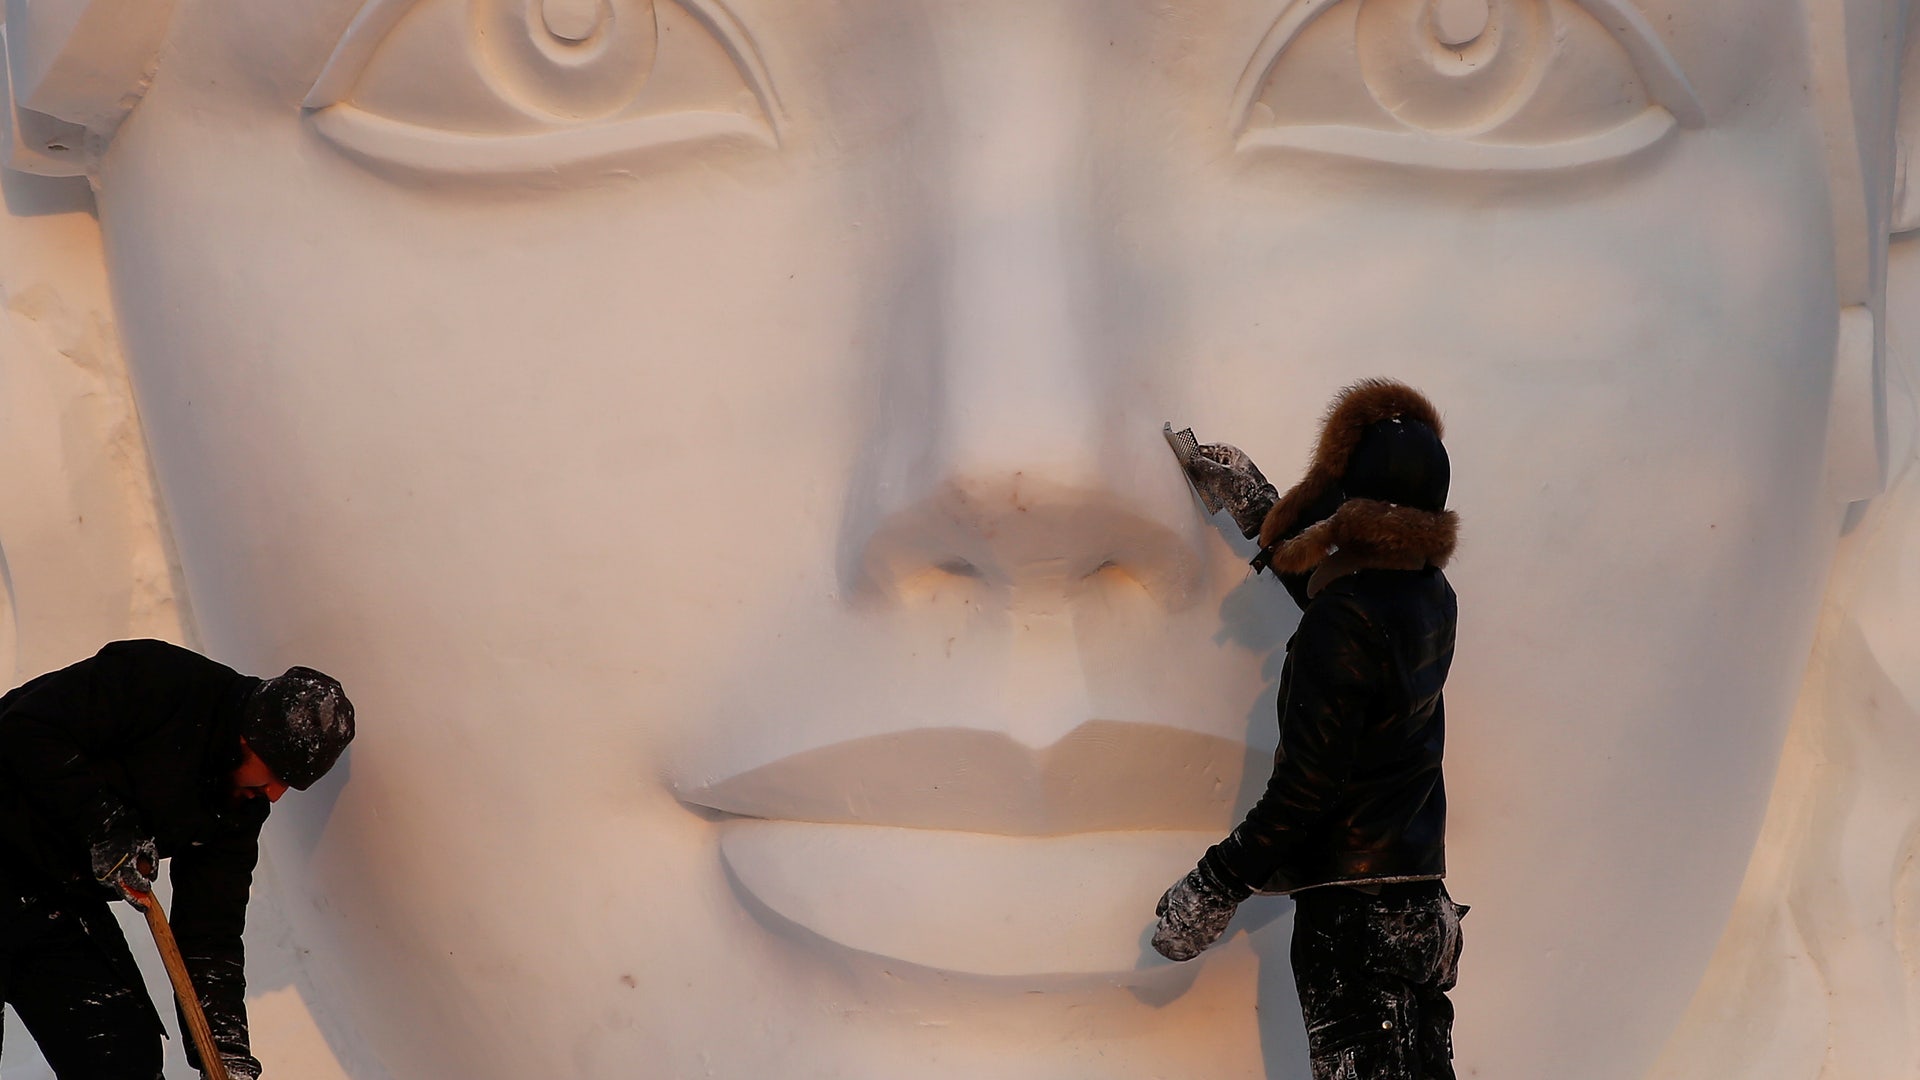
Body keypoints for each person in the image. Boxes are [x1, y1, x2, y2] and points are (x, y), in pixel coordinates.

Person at [1156, 380, 1465, 1080]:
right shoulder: (1431, 597)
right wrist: (1257, 507)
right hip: (1421, 910)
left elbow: (1306, 789)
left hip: (1355, 920)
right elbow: (1348, 603)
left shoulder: (1346, 621)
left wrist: (1213, 886)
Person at [0, 639, 354, 1080]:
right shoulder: (159, 680)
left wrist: (224, 1048)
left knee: (124, 1055)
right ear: (248, 737)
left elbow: (211, 928)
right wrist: (106, 824)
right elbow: (25, 728)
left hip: (56, 900)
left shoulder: (238, 804)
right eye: (277, 774)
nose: (276, 794)